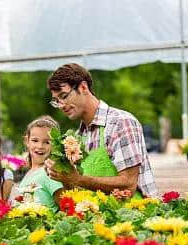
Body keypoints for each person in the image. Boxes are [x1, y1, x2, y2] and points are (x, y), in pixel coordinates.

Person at [44, 63, 157, 197]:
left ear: (83, 87)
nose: (61, 105)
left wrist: (77, 179)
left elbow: (128, 185)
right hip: (98, 214)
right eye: (56, 101)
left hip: (136, 212)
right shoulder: (77, 137)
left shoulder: (120, 123)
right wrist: (62, 176)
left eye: (63, 96)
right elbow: (80, 189)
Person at [18, 115, 65, 212]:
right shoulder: (30, 172)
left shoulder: (51, 173)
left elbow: (65, 208)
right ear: (27, 141)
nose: (40, 146)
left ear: (55, 145)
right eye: (35, 140)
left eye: (47, 142)